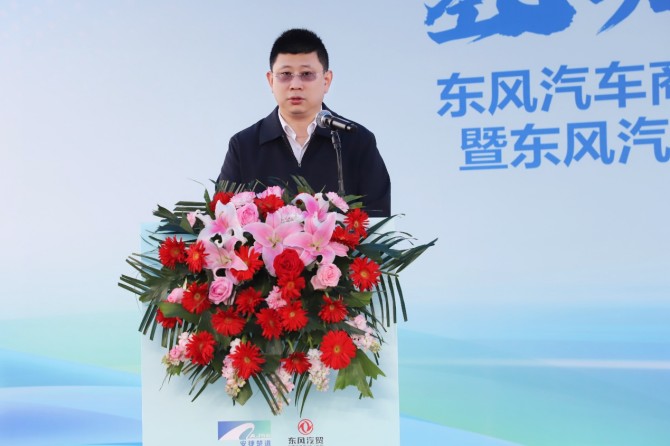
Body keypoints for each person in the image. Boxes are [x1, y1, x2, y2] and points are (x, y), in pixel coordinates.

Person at [217, 28, 391, 217]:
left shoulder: (357, 141)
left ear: (326, 80)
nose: (295, 85)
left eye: (307, 74)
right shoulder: (244, 145)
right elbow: (222, 218)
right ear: (271, 81)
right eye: (285, 74)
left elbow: (378, 220)